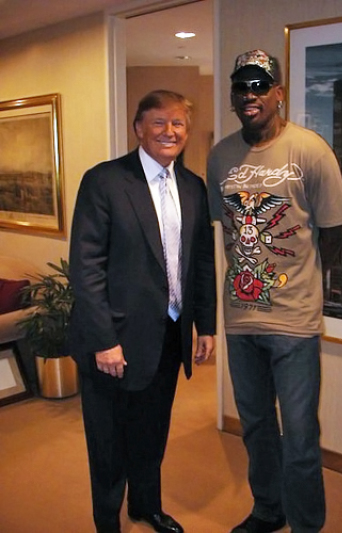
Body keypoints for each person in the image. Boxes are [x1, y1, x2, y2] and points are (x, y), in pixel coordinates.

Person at [207, 50, 342, 533]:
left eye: (259, 86)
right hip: (241, 318)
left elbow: (334, 234)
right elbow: (223, 228)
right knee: (256, 428)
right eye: (241, 87)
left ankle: (307, 525)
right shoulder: (221, 155)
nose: (249, 95)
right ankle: (268, 510)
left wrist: (302, 281)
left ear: (278, 94)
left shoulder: (310, 150)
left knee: (302, 436)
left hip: (294, 323)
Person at [69, 89, 216, 533]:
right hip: (113, 342)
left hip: (168, 338)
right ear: (138, 128)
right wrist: (104, 340)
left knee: (151, 433)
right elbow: (86, 267)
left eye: (178, 124)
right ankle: (107, 521)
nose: (169, 131)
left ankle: (145, 505)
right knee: (109, 442)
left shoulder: (193, 187)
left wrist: (205, 325)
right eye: (159, 122)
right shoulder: (105, 181)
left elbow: (202, 262)